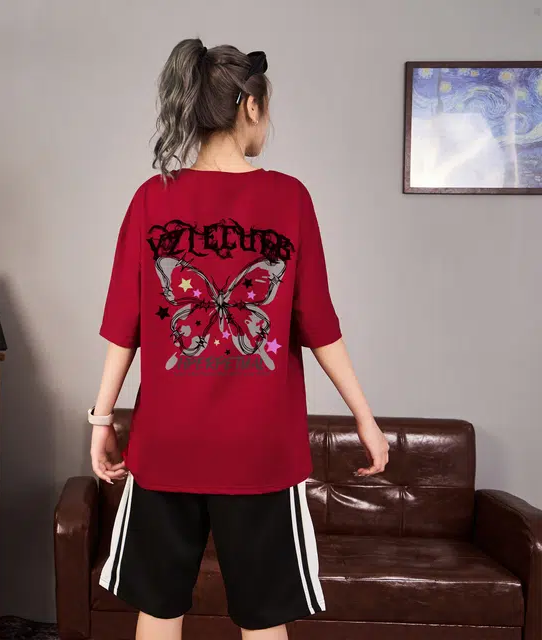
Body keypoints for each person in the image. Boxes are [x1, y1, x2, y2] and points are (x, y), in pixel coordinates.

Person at [88, 38, 389, 640]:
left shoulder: (152, 198)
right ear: (251, 106)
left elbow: (126, 321)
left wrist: (101, 419)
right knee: (264, 618)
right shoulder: (289, 197)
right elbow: (318, 322)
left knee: (159, 609)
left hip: (167, 443)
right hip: (260, 449)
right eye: (266, 108)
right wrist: (364, 416)